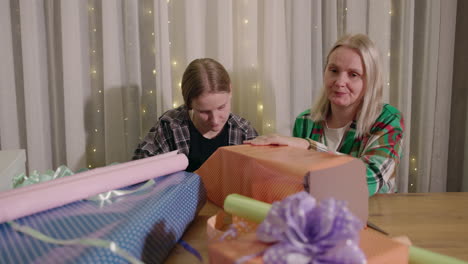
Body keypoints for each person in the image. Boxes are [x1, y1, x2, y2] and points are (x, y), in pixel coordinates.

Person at [245, 34, 404, 196]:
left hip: (374, 215)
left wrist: (309, 146)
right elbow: (300, 181)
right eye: (334, 70)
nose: (340, 82)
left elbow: (369, 180)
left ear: (370, 80)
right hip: (320, 212)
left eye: (353, 74)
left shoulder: (388, 119)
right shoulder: (305, 121)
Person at [133, 58, 258, 172]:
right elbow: (138, 169)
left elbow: (263, 177)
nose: (215, 120)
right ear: (189, 103)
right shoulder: (170, 127)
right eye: (204, 111)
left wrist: (275, 149)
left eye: (221, 107)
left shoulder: (244, 132)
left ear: (230, 91)